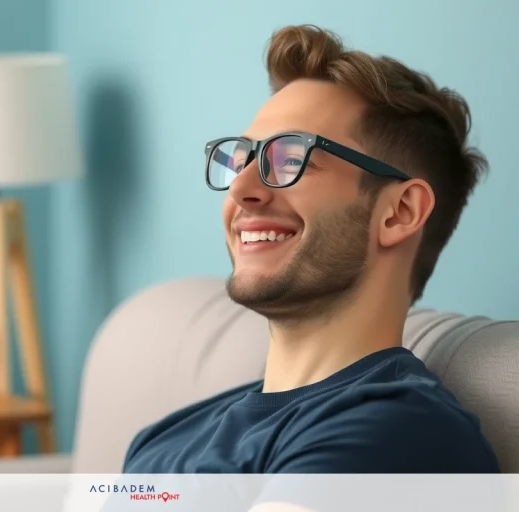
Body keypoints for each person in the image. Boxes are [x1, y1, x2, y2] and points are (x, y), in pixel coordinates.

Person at [122, 24, 500, 476]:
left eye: (290, 158)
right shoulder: (170, 434)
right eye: (241, 159)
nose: (241, 188)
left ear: (399, 212)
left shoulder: (395, 430)